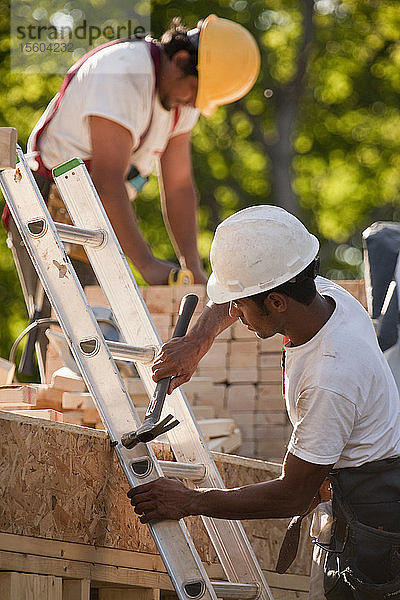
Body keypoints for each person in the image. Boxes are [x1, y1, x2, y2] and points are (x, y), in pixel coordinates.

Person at [128, 205, 400, 600]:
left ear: (276, 303)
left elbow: (291, 494)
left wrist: (189, 501)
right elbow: (245, 288)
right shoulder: (322, 295)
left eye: (242, 307)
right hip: (350, 498)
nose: (235, 314)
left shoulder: (332, 377)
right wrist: (196, 343)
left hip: (372, 522)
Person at [3, 15, 260, 376]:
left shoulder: (179, 100)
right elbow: (108, 182)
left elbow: (180, 186)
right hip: (49, 207)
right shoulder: (122, 72)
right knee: (73, 334)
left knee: (101, 332)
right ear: (183, 61)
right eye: (194, 92)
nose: (192, 104)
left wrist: (193, 267)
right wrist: (149, 265)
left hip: (94, 211)